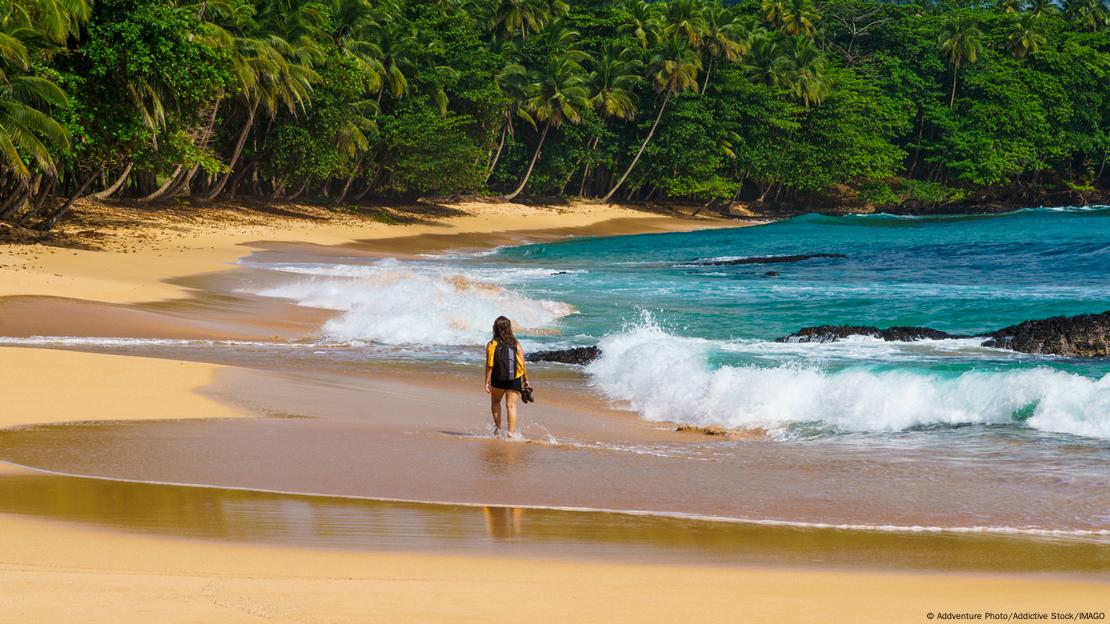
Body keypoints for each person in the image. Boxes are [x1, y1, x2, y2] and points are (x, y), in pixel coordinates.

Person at [484, 316, 530, 437]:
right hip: (514, 379)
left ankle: (498, 429)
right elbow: (523, 363)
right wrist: (526, 379)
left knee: (495, 402)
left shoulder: (491, 344)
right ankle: (511, 433)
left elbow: (489, 365)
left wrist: (487, 382)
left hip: (497, 379)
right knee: (511, 406)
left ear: (495, 328)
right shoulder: (516, 344)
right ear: (509, 328)